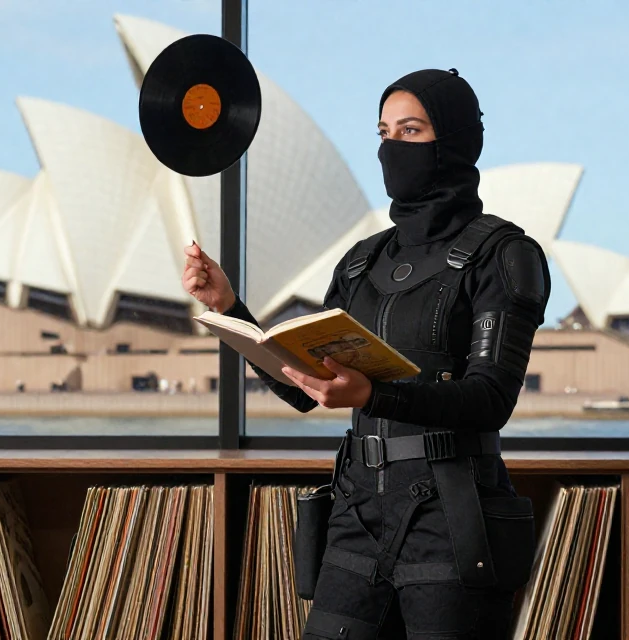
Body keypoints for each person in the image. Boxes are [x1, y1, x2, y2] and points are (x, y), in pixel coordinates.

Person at [182, 68, 549, 638]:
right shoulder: (360, 263)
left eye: (410, 130)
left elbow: (490, 398)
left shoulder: (503, 255)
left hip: (451, 515)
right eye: (383, 131)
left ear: (452, 139)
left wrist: (376, 394)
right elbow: (302, 386)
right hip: (356, 509)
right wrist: (229, 308)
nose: (391, 147)